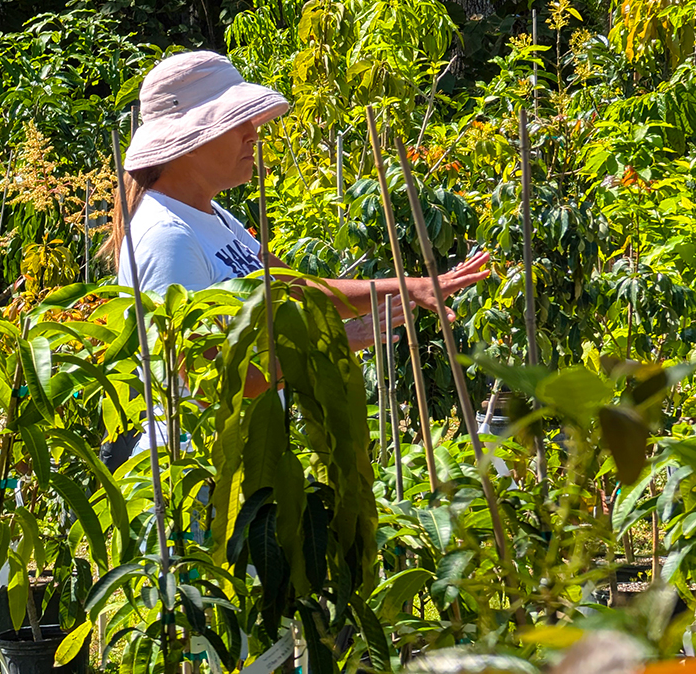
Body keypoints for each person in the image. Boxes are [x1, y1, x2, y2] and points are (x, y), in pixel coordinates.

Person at [98, 50, 490, 464]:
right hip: (195, 476)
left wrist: (412, 287)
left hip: (244, 463)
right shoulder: (166, 237)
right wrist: (329, 340)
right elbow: (206, 381)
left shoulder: (213, 217)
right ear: (189, 142)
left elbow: (298, 289)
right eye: (237, 122)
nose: (253, 133)